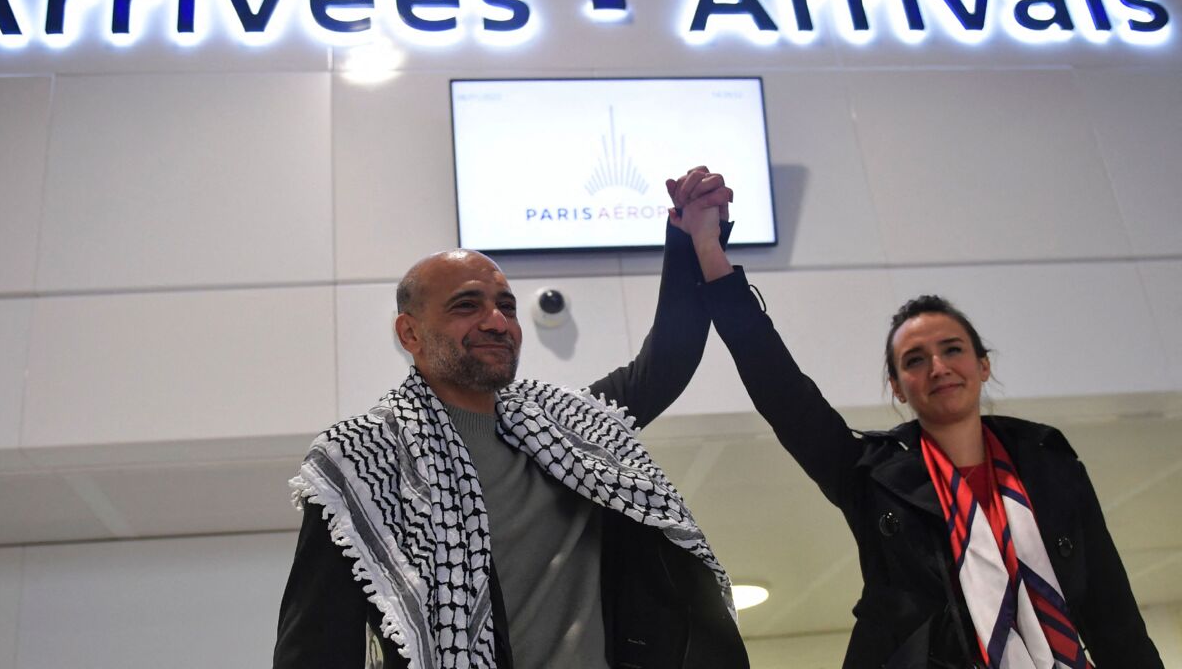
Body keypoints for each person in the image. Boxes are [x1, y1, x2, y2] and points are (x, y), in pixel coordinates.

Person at [670, 167, 1162, 669]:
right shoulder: (873, 477)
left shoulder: (1051, 463)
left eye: (952, 349)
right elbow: (781, 391)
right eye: (915, 360)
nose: (939, 367)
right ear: (897, 385)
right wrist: (709, 250)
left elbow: (1114, 616)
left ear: (983, 364)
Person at [273, 204, 749, 668]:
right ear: (410, 333)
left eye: (506, 306)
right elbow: (314, 647)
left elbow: (668, 360)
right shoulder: (360, 463)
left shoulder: (571, 430)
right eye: (467, 306)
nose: (496, 322)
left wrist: (692, 239)